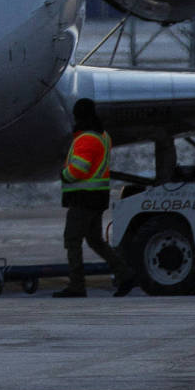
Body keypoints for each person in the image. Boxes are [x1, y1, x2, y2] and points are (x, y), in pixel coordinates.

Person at [56, 99, 133, 297]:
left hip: (83, 199)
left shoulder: (86, 138)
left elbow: (79, 169)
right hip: (97, 198)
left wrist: (64, 174)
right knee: (95, 240)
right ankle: (125, 275)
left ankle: (77, 285)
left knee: (72, 241)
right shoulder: (103, 135)